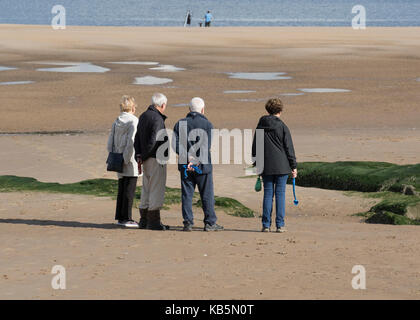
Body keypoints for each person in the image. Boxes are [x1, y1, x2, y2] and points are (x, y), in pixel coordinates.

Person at [173, 97, 224, 232]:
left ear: (189, 109)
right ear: (202, 109)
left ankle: (188, 222)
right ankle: (210, 222)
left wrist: (188, 157)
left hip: (186, 164)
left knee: (187, 194)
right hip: (202, 165)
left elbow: (175, 144)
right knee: (206, 194)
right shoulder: (207, 124)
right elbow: (205, 146)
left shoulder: (180, 123)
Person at [252, 98, 297, 233]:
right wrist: (293, 166)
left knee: (268, 194)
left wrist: (256, 165)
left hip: (266, 166)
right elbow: (289, 148)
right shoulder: (283, 126)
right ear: (280, 111)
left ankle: (266, 225)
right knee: (280, 195)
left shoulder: (261, 125)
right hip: (282, 166)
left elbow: (255, 148)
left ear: (268, 110)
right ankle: (280, 225)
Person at [134, 93, 170, 231]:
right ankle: (153, 222)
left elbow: (137, 138)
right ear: (162, 105)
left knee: (146, 189)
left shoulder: (143, 116)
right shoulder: (157, 118)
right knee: (156, 189)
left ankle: (144, 220)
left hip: (146, 158)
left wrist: (139, 155)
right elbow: (154, 141)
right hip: (155, 158)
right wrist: (144, 155)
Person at [107, 95, 139, 228]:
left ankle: (121, 217)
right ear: (132, 107)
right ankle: (127, 218)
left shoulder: (117, 120)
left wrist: (113, 154)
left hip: (117, 157)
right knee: (129, 189)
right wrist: (126, 158)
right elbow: (131, 141)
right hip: (129, 159)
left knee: (122, 187)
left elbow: (110, 141)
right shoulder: (134, 120)